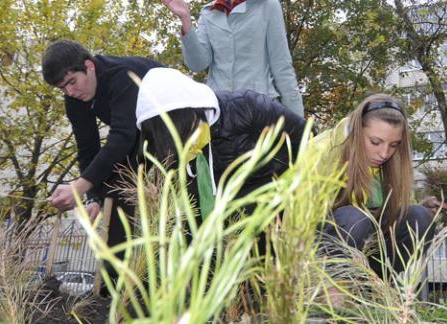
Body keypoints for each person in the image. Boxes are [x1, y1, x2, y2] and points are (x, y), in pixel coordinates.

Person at [41, 39, 162, 289]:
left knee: (167, 187)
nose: (70, 92)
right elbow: (87, 148)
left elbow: (122, 136)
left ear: (89, 66)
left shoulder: (122, 75)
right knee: (114, 186)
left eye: (72, 82)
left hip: (175, 124)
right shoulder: (75, 100)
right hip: (138, 133)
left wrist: (79, 186)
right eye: (62, 89)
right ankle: (112, 284)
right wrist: (93, 196)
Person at [134, 67, 306, 217]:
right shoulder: (177, 152)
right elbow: (192, 210)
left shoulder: (246, 108)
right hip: (228, 224)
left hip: (276, 204)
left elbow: (307, 138)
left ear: (185, 116)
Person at [315, 94, 435, 302]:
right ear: (357, 130)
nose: (384, 153)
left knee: (420, 217)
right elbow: (294, 221)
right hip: (315, 253)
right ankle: (333, 300)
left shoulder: (391, 164)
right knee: (354, 219)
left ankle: (372, 292)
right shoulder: (323, 151)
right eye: (376, 142)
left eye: (394, 145)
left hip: (363, 255)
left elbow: (393, 219)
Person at [161, 0, 305, 117]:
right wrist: (185, 18)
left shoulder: (267, 5)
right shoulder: (208, 12)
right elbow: (197, 64)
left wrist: (300, 124)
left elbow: (282, 67)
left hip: (259, 113)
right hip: (219, 113)